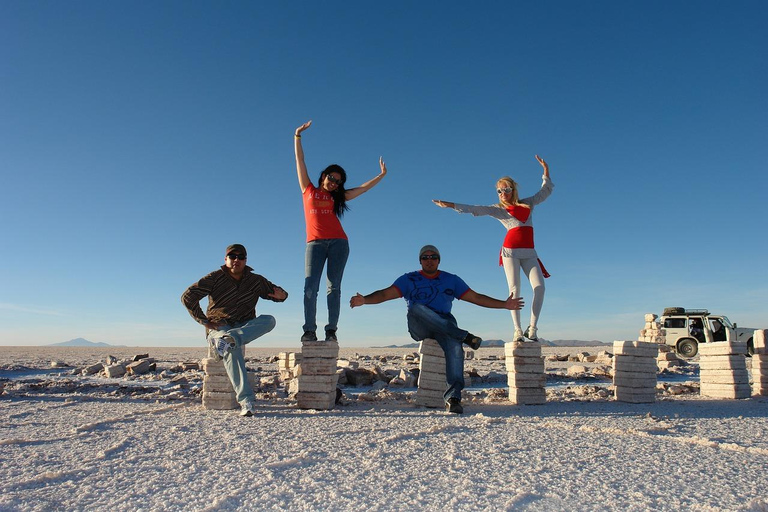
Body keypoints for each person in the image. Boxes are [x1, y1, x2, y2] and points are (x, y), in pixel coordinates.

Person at [349, 245, 524, 414]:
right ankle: (464, 336)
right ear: (420, 261)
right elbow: (385, 294)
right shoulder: (409, 279)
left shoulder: (451, 279)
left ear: (439, 260)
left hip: (444, 324)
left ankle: (453, 398)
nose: (429, 260)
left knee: (455, 347)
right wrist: (365, 300)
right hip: (419, 324)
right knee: (416, 307)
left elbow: (476, 297)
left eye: (433, 257)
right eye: (425, 257)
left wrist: (504, 305)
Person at [432, 155, 553, 342]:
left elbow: (544, 192)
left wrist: (545, 171)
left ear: (512, 190)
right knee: (515, 291)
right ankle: (517, 330)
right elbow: (477, 209)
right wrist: (451, 205)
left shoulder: (527, 204)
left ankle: (533, 328)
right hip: (510, 252)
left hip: (529, 252)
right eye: (499, 191)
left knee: (540, 288)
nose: (502, 193)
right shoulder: (498, 209)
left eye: (506, 189)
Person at [294, 120, 387, 343]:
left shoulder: (338, 197)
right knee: (310, 287)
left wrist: (381, 175)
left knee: (333, 287)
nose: (334, 183)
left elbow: (362, 189)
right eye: (331, 178)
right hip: (314, 243)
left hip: (338, 243)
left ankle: (331, 330)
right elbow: (300, 160)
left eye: (338, 181)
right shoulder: (308, 190)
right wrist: (297, 136)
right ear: (323, 176)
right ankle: (309, 330)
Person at [181, 244, 288, 417]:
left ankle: (225, 343)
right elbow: (188, 296)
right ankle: (246, 401)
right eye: (232, 256)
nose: (236, 260)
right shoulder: (214, 278)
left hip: (244, 326)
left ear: (246, 260)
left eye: (241, 257)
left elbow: (279, 294)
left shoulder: (255, 280)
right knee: (231, 348)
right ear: (226, 259)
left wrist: (281, 296)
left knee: (269, 320)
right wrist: (204, 321)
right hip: (219, 325)